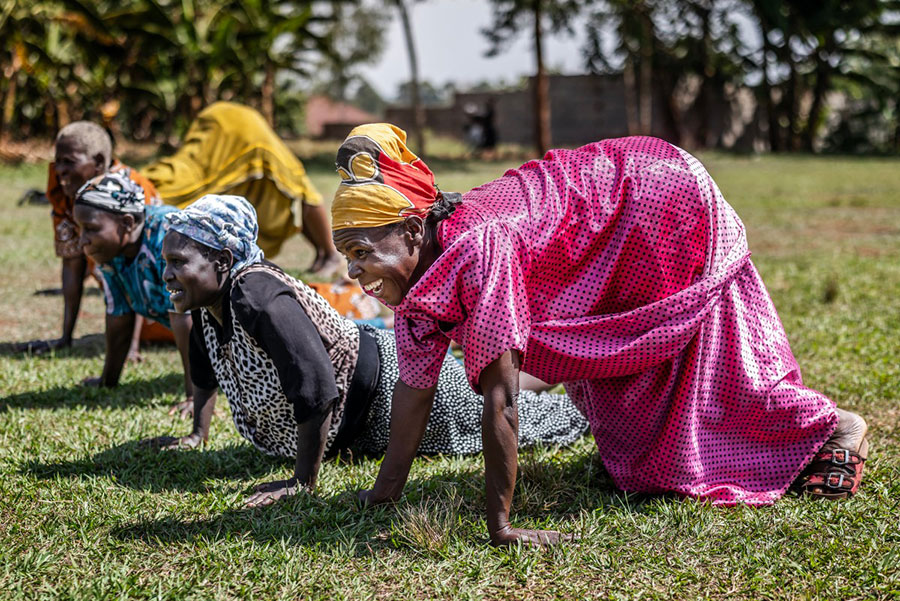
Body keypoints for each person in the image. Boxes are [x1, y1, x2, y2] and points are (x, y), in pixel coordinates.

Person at [329, 124, 869, 547]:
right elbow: (413, 391)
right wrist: (382, 498)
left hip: (651, 197)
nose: (354, 272)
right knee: (642, 462)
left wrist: (499, 526)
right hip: (596, 230)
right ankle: (708, 448)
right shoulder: (415, 289)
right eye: (347, 254)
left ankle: (832, 430)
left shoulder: (477, 249)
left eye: (361, 251)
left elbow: (503, 397)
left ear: (411, 229)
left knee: (702, 366)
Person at [147, 195, 588, 507]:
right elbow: (207, 369)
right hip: (361, 423)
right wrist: (196, 434)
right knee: (492, 388)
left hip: (383, 398)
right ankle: (548, 369)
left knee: (528, 419)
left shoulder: (255, 295)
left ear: (223, 262)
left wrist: (303, 482)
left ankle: (589, 373)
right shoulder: (212, 301)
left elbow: (316, 387)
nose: (167, 273)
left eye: (178, 263)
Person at [142, 101, 342, 277]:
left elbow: (305, 193)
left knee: (295, 183)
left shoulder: (158, 191)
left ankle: (330, 255)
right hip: (219, 125)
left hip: (245, 131)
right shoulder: (162, 185)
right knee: (295, 184)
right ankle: (324, 254)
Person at [21, 121, 160, 355]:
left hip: (160, 304)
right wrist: (65, 338)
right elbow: (71, 261)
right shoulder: (66, 192)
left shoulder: (132, 191)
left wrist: (131, 347)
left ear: (97, 163)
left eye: (69, 162)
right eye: (58, 161)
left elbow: (139, 268)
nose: (60, 170)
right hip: (122, 299)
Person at [71, 172, 193, 404]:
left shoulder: (167, 236)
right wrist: (108, 381)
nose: (82, 240)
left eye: (91, 228)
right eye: (80, 229)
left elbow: (188, 319)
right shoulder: (110, 253)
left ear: (127, 223)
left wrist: (194, 396)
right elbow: (119, 316)